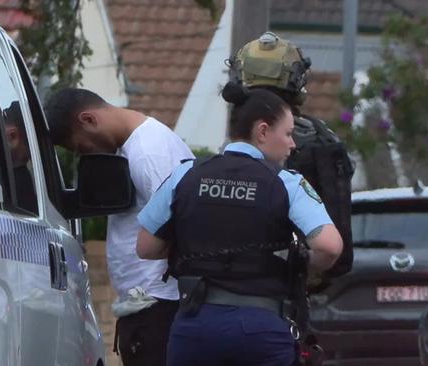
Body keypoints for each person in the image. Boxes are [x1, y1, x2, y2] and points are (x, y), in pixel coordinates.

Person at [136, 82, 343, 366]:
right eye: (288, 134)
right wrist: (299, 266)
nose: (293, 144)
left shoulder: (186, 174)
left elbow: (146, 247)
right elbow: (330, 247)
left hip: (195, 329)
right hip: (261, 331)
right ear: (262, 131)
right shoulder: (286, 183)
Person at [44, 88, 194, 366]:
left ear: (88, 120)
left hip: (160, 306)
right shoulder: (136, 147)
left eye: (81, 147)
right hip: (150, 306)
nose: (85, 154)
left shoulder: (149, 153)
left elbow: (184, 225)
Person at [235, 31, 354, 279]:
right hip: (294, 282)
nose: (289, 143)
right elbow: (333, 248)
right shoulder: (319, 139)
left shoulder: (225, 147)